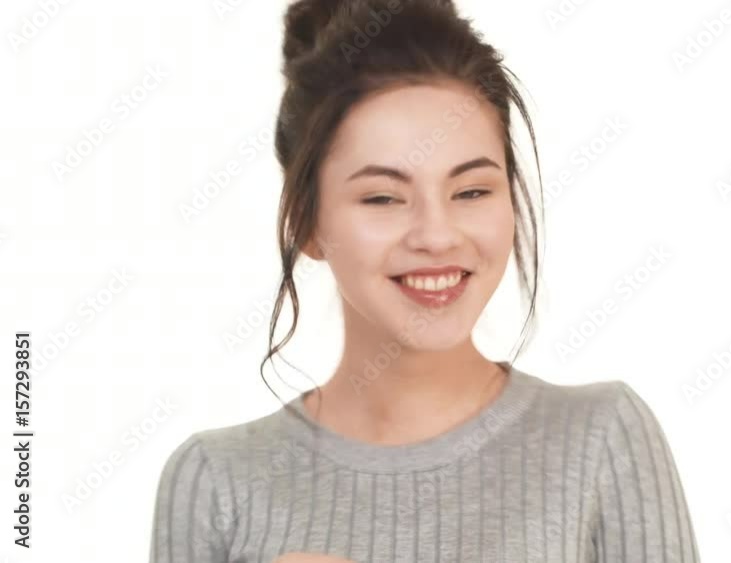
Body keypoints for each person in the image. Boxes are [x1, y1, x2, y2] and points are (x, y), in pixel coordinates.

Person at [148, 0, 701, 561]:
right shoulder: (214, 482)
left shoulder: (603, 438)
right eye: (383, 198)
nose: (437, 236)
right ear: (306, 224)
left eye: (472, 191)